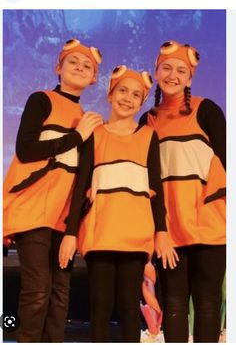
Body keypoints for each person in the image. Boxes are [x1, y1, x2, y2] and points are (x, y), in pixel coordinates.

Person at [59, 66, 178, 343]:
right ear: (110, 94)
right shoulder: (95, 134)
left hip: (136, 234)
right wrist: (70, 232)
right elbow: (80, 187)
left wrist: (161, 231)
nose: (128, 98)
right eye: (122, 90)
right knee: (99, 308)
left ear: (142, 101)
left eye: (136, 94)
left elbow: (156, 187)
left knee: (128, 308)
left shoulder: (148, 135)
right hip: (101, 232)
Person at [3, 38, 103, 342]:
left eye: (87, 66)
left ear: (94, 78)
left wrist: (73, 229)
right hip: (32, 210)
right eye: (73, 62)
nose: (79, 68)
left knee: (60, 293)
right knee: (37, 291)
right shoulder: (41, 100)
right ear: (58, 67)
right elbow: (26, 150)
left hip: (63, 218)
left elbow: (82, 181)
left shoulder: (90, 121)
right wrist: (76, 136)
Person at [140, 40, 226, 343]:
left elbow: (228, 163)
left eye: (181, 70)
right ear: (156, 71)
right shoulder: (147, 121)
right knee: (174, 302)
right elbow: (146, 182)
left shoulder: (207, 110)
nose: (173, 75)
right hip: (168, 229)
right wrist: (157, 230)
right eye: (166, 68)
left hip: (210, 223)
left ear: (190, 78)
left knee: (207, 302)